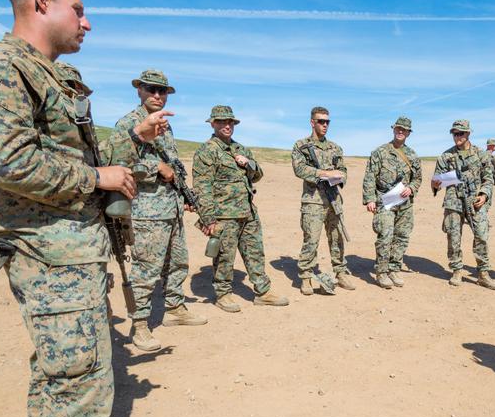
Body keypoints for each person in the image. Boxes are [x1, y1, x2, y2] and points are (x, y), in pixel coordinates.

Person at [0, 0, 172, 417]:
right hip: (46, 251)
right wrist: (94, 180)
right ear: (41, 1)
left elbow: (71, 151)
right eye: (78, 10)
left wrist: (128, 139)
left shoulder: (50, 74)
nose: (88, 21)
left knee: (59, 370)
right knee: (79, 377)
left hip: (72, 250)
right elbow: (4, 159)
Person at [115, 70, 207, 351]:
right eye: (151, 89)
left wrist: (184, 195)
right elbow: (117, 162)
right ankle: (140, 324)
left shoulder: (166, 126)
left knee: (177, 262)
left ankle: (175, 308)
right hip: (147, 211)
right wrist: (157, 167)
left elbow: (174, 167)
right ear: (139, 91)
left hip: (172, 207)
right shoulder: (129, 124)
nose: (157, 95)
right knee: (146, 269)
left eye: (162, 91)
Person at [193, 105, 289, 311]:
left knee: (255, 252)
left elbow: (258, 175)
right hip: (224, 214)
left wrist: (248, 164)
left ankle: (263, 291)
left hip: (248, 211)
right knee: (225, 256)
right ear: (212, 123)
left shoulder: (240, 149)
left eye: (230, 122)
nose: (227, 125)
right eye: (221, 122)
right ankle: (223, 293)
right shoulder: (207, 151)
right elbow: (202, 187)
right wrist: (208, 219)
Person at [291, 106, 355, 294]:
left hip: (334, 200)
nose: (325, 125)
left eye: (327, 121)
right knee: (311, 239)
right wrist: (324, 173)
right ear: (312, 122)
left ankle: (340, 272)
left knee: (336, 238)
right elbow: (300, 169)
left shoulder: (335, 147)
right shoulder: (301, 145)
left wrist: (339, 176)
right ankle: (306, 276)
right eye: (321, 121)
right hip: (313, 201)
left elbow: (343, 171)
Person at [431, 120, 495, 289]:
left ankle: (483, 273)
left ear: (468, 134)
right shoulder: (446, 156)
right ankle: (456, 270)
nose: (457, 137)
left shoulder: (481, 155)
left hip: (475, 201)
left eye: (461, 133)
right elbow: (436, 180)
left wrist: (484, 194)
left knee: (481, 236)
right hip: (454, 201)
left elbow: (488, 179)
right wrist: (436, 183)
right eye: (455, 134)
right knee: (453, 237)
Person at [362, 116, 423, 289]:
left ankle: (394, 268)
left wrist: (411, 188)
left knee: (402, 236)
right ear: (393, 129)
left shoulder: (412, 155)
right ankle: (381, 272)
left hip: (405, 203)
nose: (400, 131)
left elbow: (417, 178)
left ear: (409, 133)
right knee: (385, 235)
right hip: (384, 201)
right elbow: (369, 177)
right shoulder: (380, 152)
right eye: (398, 128)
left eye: (404, 129)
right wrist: (370, 199)